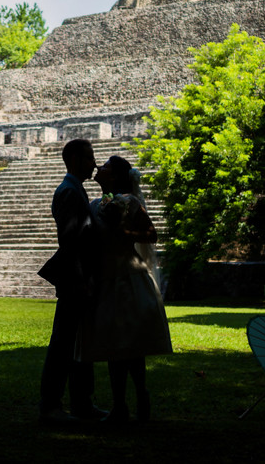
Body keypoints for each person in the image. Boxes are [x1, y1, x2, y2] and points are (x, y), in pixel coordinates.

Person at [78, 155, 172, 424]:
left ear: (116, 176)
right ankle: (119, 405)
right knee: (112, 343)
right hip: (105, 278)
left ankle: (141, 395)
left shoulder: (129, 202)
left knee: (130, 343)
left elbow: (151, 235)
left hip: (127, 277)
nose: (99, 167)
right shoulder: (95, 203)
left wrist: (124, 233)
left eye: (106, 166)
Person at [37, 138, 106, 425]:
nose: (94, 163)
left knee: (79, 343)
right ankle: (51, 405)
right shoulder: (69, 192)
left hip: (81, 278)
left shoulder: (75, 190)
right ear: (76, 159)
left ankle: (81, 403)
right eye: (90, 157)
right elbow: (70, 241)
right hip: (74, 281)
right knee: (64, 344)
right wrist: (79, 279)